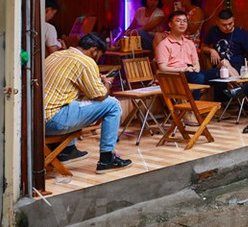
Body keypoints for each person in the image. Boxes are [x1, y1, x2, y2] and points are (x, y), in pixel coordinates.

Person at [43, 32, 133, 173]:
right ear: (94, 49)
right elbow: (100, 96)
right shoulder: (86, 61)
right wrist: (107, 83)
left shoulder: (55, 55)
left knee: (74, 99)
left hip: (37, 121)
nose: (98, 59)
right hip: (54, 121)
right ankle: (106, 159)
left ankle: (67, 150)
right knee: (113, 104)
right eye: (100, 55)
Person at [155, 11, 219, 94]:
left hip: (190, 73)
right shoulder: (164, 44)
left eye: (185, 21)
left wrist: (195, 69)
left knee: (218, 73)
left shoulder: (190, 43)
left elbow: (196, 63)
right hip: (174, 75)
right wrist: (183, 69)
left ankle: (223, 102)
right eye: (178, 21)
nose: (182, 23)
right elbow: (162, 68)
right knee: (198, 78)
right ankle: (193, 104)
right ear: (170, 24)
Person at [202, 9, 248, 77]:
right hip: (219, 68)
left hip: (238, 67)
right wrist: (211, 50)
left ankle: (237, 82)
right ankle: (239, 84)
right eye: (224, 25)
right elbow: (203, 47)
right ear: (217, 23)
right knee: (224, 63)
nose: (228, 27)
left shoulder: (241, 33)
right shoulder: (213, 31)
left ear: (233, 20)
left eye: (230, 23)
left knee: (225, 63)